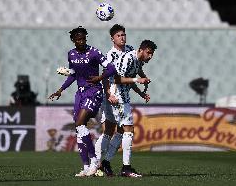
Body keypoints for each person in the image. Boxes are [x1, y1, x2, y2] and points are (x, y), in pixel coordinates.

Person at [48, 26, 117, 177]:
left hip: (93, 91)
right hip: (80, 94)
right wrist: (61, 89)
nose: (81, 41)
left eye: (83, 39)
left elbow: (111, 69)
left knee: (79, 123)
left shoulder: (94, 52)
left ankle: (94, 161)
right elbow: (73, 74)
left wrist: (99, 77)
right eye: (78, 39)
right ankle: (86, 167)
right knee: (80, 128)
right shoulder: (71, 54)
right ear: (73, 40)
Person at [89, 39, 157, 177]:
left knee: (121, 131)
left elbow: (131, 79)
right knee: (127, 130)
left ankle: (105, 163)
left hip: (123, 97)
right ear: (141, 50)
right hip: (117, 97)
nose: (150, 56)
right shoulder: (128, 58)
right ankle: (124, 167)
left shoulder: (137, 61)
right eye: (148, 53)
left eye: (152, 54)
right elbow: (117, 79)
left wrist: (141, 93)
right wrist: (138, 79)